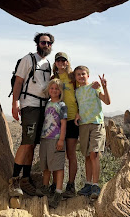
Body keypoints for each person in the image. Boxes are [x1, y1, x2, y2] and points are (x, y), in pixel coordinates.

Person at [8, 33, 54, 197]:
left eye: (49, 43)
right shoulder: (28, 59)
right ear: (37, 43)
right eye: (43, 42)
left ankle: (25, 179)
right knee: (27, 142)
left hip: (43, 107)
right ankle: (14, 180)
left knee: (33, 144)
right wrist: (15, 103)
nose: (46, 45)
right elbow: (19, 81)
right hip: (29, 105)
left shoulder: (48, 64)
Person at [73, 66, 110, 200]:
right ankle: (88, 184)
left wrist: (104, 87)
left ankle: (95, 184)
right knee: (87, 156)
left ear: (88, 75)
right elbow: (78, 106)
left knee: (94, 154)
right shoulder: (76, 91)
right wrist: (77, 114)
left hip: (96, 124)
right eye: (78, 74)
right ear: (76, 77)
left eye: (83, 74)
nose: (81, 76)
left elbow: (107, 101)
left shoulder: (95, 87)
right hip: (83, 125)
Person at [36, 78, 67, 208]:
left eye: (56, 88)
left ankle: (58, 193)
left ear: (60, 91)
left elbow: (64, 123)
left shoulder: (62, 105)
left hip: (56, 138)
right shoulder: (47, 104)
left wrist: (61, 139)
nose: (54, 90)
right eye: (52, 88)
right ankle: (45, 187)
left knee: (58, 166)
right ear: (49, 90)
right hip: (45, 138)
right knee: (46, 165)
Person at [51, 52, 79, 198]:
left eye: (63, 60)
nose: (61, 63)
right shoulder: (53, 79)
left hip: (72, 118)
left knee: (71, 153)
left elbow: (80, 93)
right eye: (58, 60)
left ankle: (71, 184)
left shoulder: (73, 77)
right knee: (57, 153)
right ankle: (56, 184)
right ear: (55, 63)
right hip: (57, 120)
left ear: (67, 62)